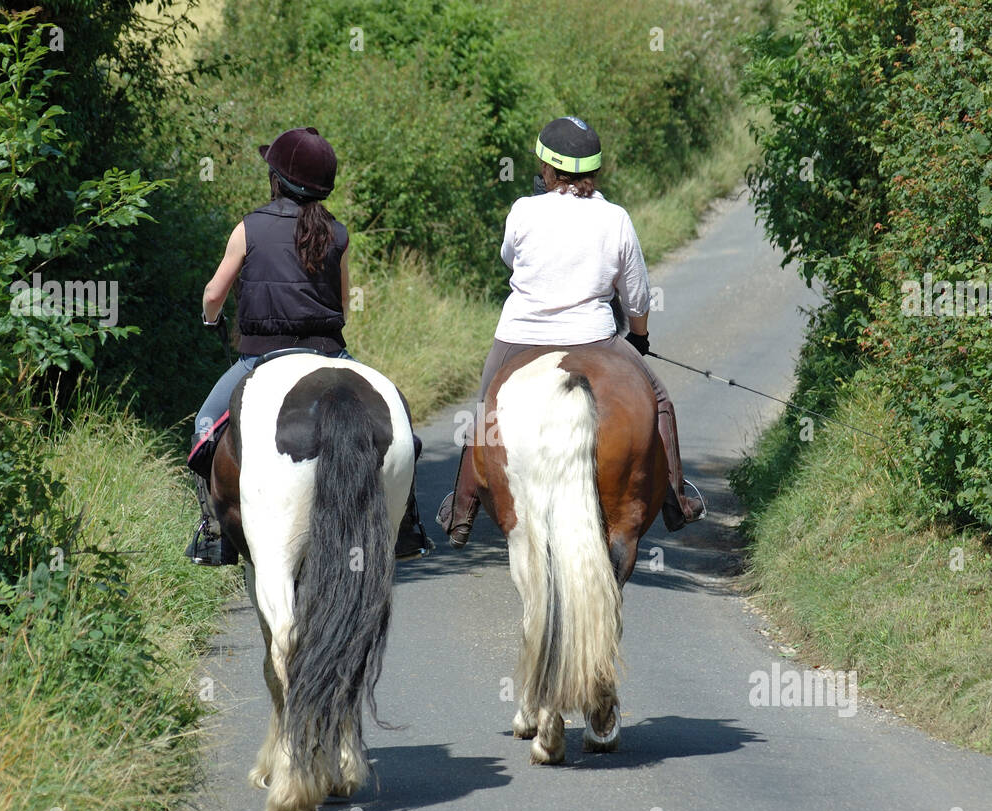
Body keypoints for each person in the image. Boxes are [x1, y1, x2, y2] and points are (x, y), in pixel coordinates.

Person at [437, 116, 705, 546]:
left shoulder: (523, 210)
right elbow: (636, 296)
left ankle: (462, 509)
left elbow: (510, 258)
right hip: (595, 337)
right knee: (657, 399)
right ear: (593, 171)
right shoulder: (615, 218)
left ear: (546, 168)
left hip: (521, 336)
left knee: (486, 406)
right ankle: (677, 500)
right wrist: (638, 338)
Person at [186, 126, 431, 565]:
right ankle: (407, 524)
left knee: (206, 424)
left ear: (276, 180)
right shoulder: (337, 234)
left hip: (261, 355)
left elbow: (212, 294)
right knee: (402, 427)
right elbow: (342, 304)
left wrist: (211, 319)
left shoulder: (250, 227)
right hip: (328, 351)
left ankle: (213, 531)